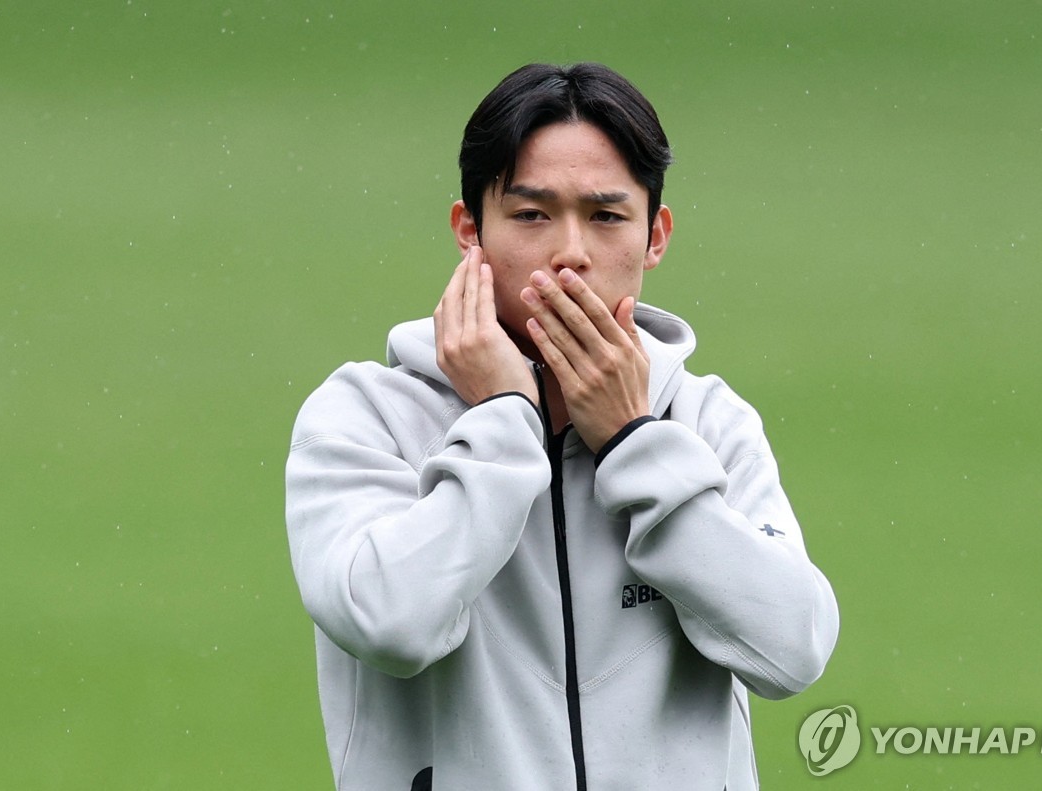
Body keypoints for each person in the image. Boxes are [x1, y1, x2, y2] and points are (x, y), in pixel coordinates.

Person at [285, 62, 839, 791]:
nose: (570, 251)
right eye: (531, 214)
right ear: (469, 231)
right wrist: (503, 423)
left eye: (606, 216)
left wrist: (635, 442)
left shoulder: (709, 420)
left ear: (656, 236)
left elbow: (792, 648)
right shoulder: (366, 414)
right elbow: (390, 623)